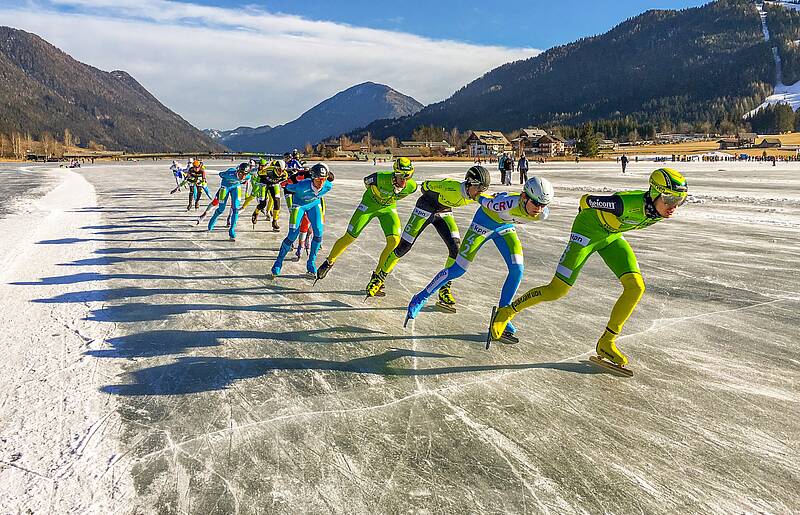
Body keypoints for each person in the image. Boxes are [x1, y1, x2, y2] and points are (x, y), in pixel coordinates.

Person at [489, 168, 689, 371]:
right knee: (557, 290)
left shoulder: (658, 209)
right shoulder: (624, 204)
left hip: (610, 236)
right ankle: (506, 312)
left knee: (636, 287)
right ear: (655, 192)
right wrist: (586, 220)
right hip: (586, 231)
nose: (673, 206)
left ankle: (607, 342)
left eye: (679, 201)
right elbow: (586, 200)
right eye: (669, 199)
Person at [404, 177, 554, 341]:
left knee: (517, 269)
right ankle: (420, 298)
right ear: (524, 197)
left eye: (543, 205)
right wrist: (475, 194)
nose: (539, 209)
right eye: (536, 203)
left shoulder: (542, 214)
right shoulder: (506, 203)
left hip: (505, 227)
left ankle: (502, 314)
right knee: (458, 269)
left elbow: (531, 212)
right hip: (483, 223)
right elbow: (484, 200)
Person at [365, 166, 492, 309]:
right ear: (468, 182)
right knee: (404, 247)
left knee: (456, 249)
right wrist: (430, 195)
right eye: (479, 188)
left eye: (484, 189)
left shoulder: (478, 195)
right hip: (425, 207)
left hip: (444, 211)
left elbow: (494, 201)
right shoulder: (451, 187)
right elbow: (426, 185)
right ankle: (378, 279)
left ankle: (444, 288)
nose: (480, 193)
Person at [315, 157, 418, 284]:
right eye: (401, 177)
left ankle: (377, 276)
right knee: (350, 237)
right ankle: (329, 261)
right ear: (394, 173)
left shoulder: (412, 186)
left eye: (407, 178)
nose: (404, 182)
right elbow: (366, 182)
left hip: (388, 208)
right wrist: (375, 196)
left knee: (394, 241)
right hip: (369, 205)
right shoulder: (379, 177)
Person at [270, 163, 334, 277]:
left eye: (323, 180)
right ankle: (278, 262)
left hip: (314, 204)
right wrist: (284, 183)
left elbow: (326, 185)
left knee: (318, 232)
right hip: (299, 205)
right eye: (318, 180)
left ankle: (311, 263)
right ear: (312, 178)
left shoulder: (328, 186)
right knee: (292, 235)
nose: (321, 183)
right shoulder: (301, 186)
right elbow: (287, 186)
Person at [207, 162, 253, 241]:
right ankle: (213, 219)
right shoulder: (229, 173)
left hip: (235, 188)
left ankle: (232, 229)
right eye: (241, 174)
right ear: (237, 171)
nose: (243, 176)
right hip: (225, 187)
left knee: (235, 208)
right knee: (221, 209)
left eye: (245, 175)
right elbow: (221, 174)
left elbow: (247, 179)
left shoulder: (248, 176)